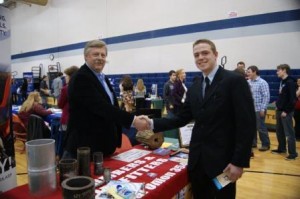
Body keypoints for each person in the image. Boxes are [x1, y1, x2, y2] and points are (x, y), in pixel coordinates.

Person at [139, 39, 256, 198]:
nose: (200, 57)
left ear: (216, 55)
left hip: (224, 164)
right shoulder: (195, 85)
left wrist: (239, 162)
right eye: (196, 55)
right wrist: (151, 123)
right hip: (197, 163)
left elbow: (246, 124)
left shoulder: (234, 81)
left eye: (205, 53)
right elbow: (181, 118)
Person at [63, 40, 148, 158]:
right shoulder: (80, 78)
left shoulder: (102, 78)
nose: (100, 58)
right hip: (84, 149)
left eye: (103, 55)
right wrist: (133, 121)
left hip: (102, 146)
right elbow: (102, 107)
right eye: (96, 54)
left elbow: (112, 105)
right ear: (86, 56)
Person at [271, 64, 298, 160]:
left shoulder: (290, 82)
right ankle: (281, 148)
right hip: (279, 110)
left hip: (286, 111)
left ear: (284, 70)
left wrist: (286, 111)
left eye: (278, 70)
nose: (277, 72)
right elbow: (282, 96)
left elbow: (293, 99)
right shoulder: (282, 81)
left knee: (289, 133)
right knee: (279, 131)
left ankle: (293, 153)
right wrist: (277, 105)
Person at [247, 65, 271, 151]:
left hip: (259, 109)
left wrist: (263, 108)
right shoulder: (248, 82)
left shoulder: (262, 82)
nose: (247, 73)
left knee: (261, 127)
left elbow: (266, 96)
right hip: (250, 109)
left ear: (254, 72)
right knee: (251, 127)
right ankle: (253, 143)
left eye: (249, 72)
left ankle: (265, 144)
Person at [57, 66, 79, 153]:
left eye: (66, 76)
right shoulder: (82, 87)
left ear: (71, 76)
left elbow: (60, 104)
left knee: (65, 140)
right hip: (78, 119)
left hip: (67, 118)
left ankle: (63, 159)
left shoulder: (66, 88)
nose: (65, 78)